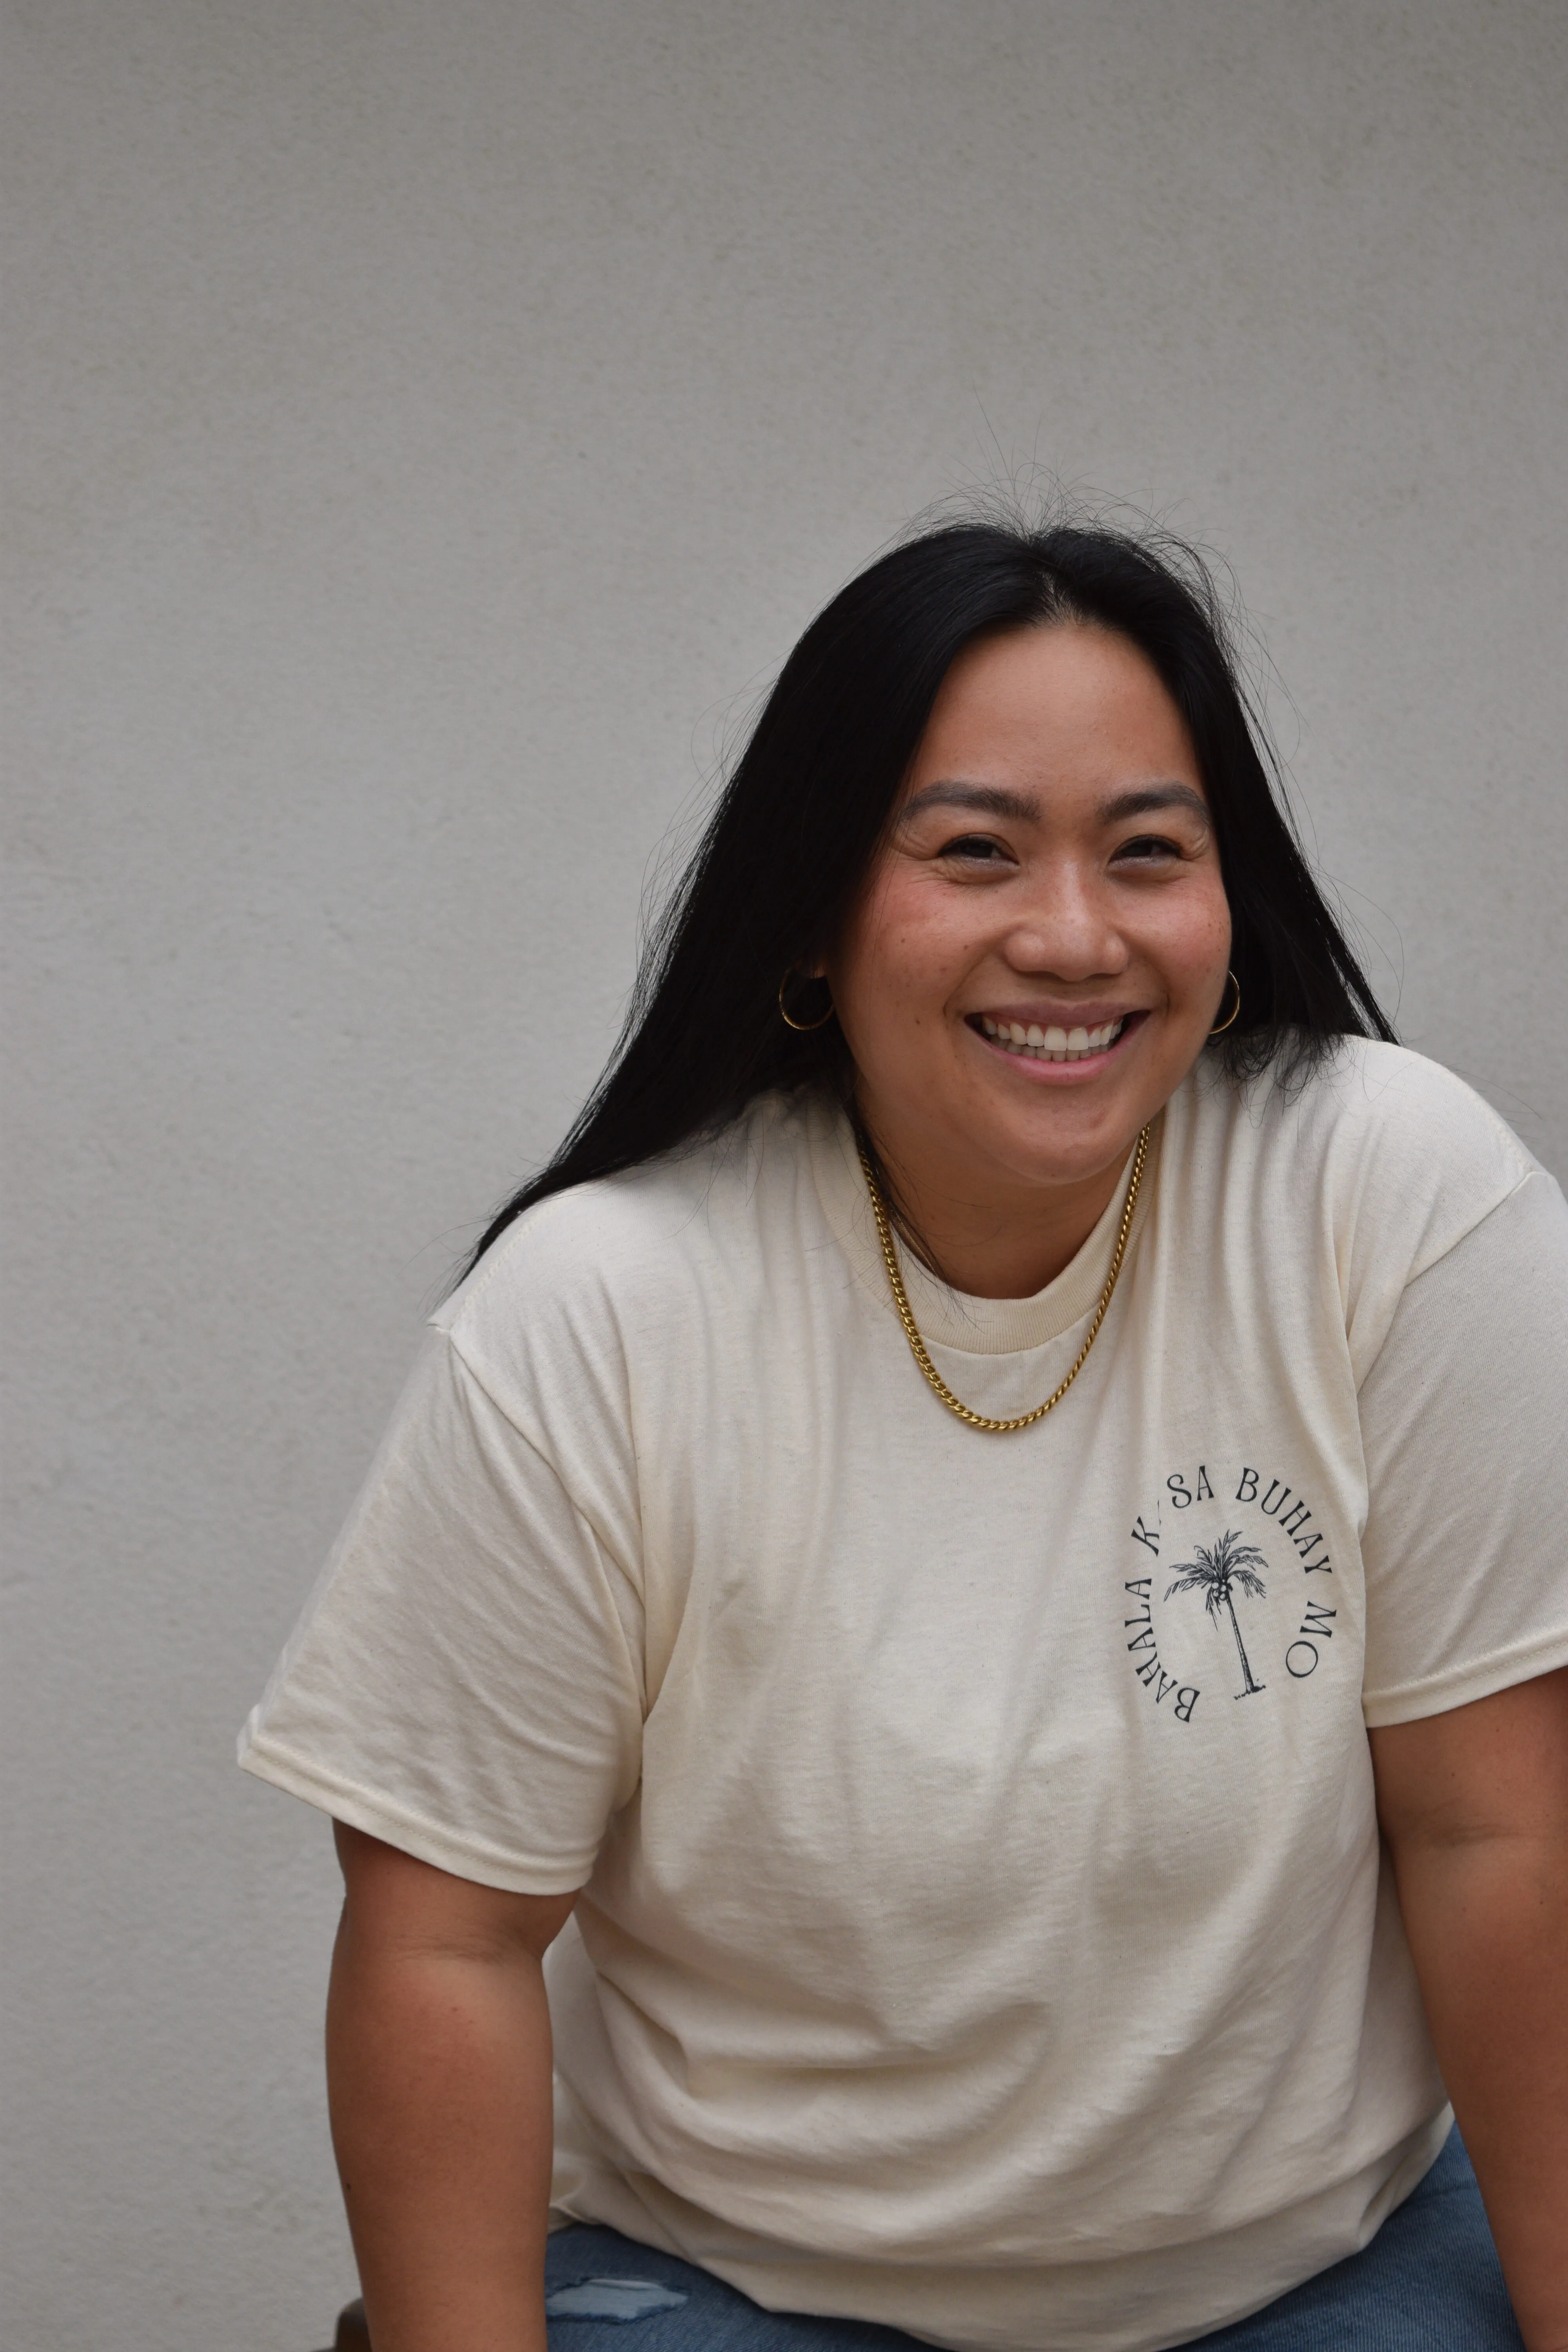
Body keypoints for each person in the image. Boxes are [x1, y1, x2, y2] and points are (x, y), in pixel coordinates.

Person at [239, 518, 1568, 2352]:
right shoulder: (597, 1314)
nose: (1074, 937)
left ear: (1225, 904)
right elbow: (443, 1945)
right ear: (813, 908)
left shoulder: (1390, 1191)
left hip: (1320, 2272)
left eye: (1147, 854)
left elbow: (1495, 1830)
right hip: (739, 2288)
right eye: (972, 852)